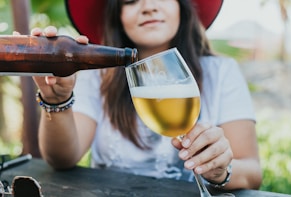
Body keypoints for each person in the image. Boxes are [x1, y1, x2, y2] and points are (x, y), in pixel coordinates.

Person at [29, 0, 262, 190]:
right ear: (117, 15)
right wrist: (56, 99)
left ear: (182, 6)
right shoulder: (96, 76)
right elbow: (62, 159)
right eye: (130, 1)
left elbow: (252, 173)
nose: (148, 6)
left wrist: (222, 170)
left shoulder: (221, 71)